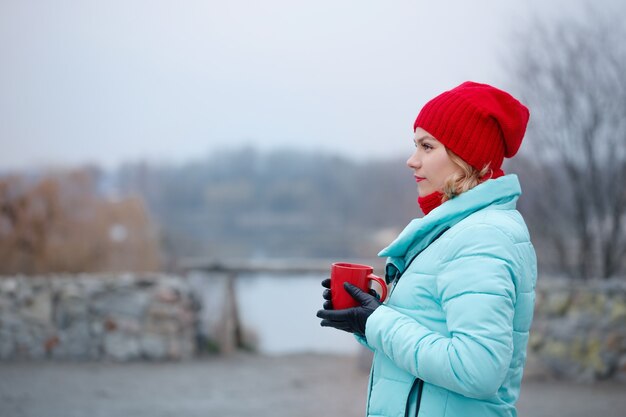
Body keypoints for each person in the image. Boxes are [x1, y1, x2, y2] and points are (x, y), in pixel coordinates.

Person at [317, 81, 537, 417]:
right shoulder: (456, 230)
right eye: (415, 145)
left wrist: (378, 322)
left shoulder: (483, 236)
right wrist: (366, 321)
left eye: (427, 146)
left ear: (467, 158)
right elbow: (428, 331)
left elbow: (476, 369)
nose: (412, 160)